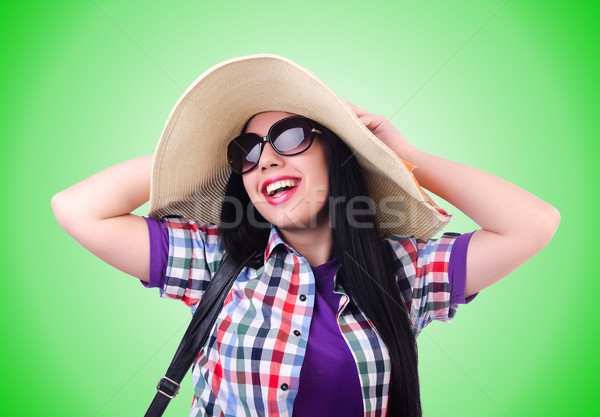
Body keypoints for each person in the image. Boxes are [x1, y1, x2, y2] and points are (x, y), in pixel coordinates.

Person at [51, 54, 560, 417]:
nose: (265, 158)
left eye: (289, 138)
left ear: (337, 155)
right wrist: (203, 154)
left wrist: (409, 159)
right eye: (246, 154)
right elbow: (77, 210)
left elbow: (533, 224)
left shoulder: (404, 271)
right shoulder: (214, 263)